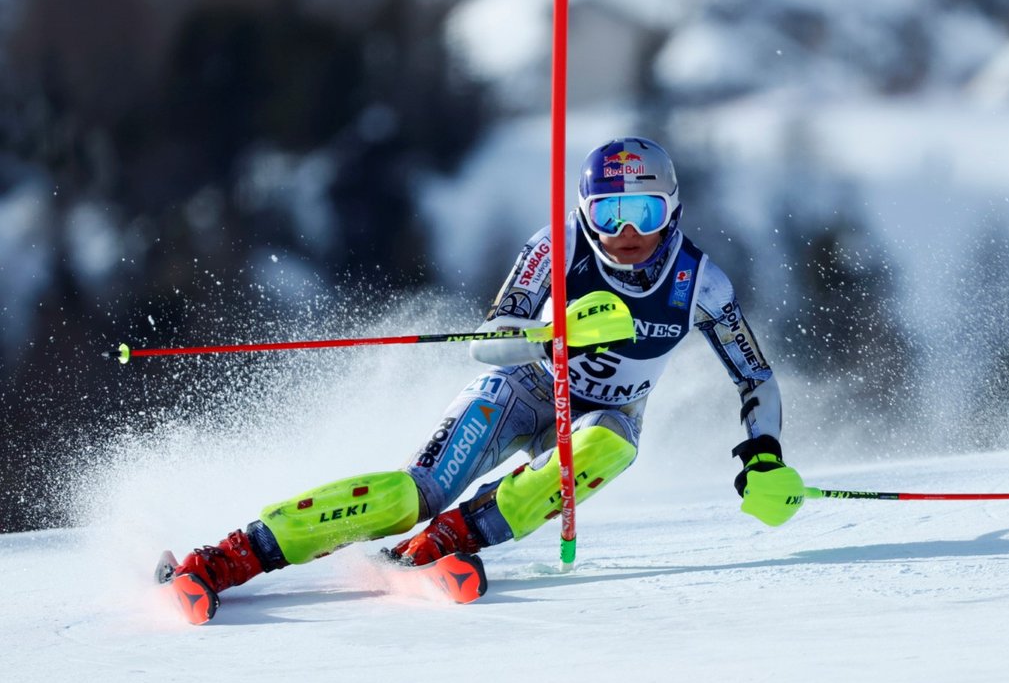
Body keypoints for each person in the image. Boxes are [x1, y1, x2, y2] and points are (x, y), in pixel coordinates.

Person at [169, 137, 804, 599]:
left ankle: (442, 546)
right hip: (522, 387)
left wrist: (764, 455)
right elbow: (487, 340)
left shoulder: (701, 283)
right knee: (411, 494)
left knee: (611, 445)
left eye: (646, 213)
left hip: (606, 413)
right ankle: (228, 558)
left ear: (673, 210)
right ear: (587, 212)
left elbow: (756, 377)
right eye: (610, 214)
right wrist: (550, 336)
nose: (627, 233)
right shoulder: (557, 246)